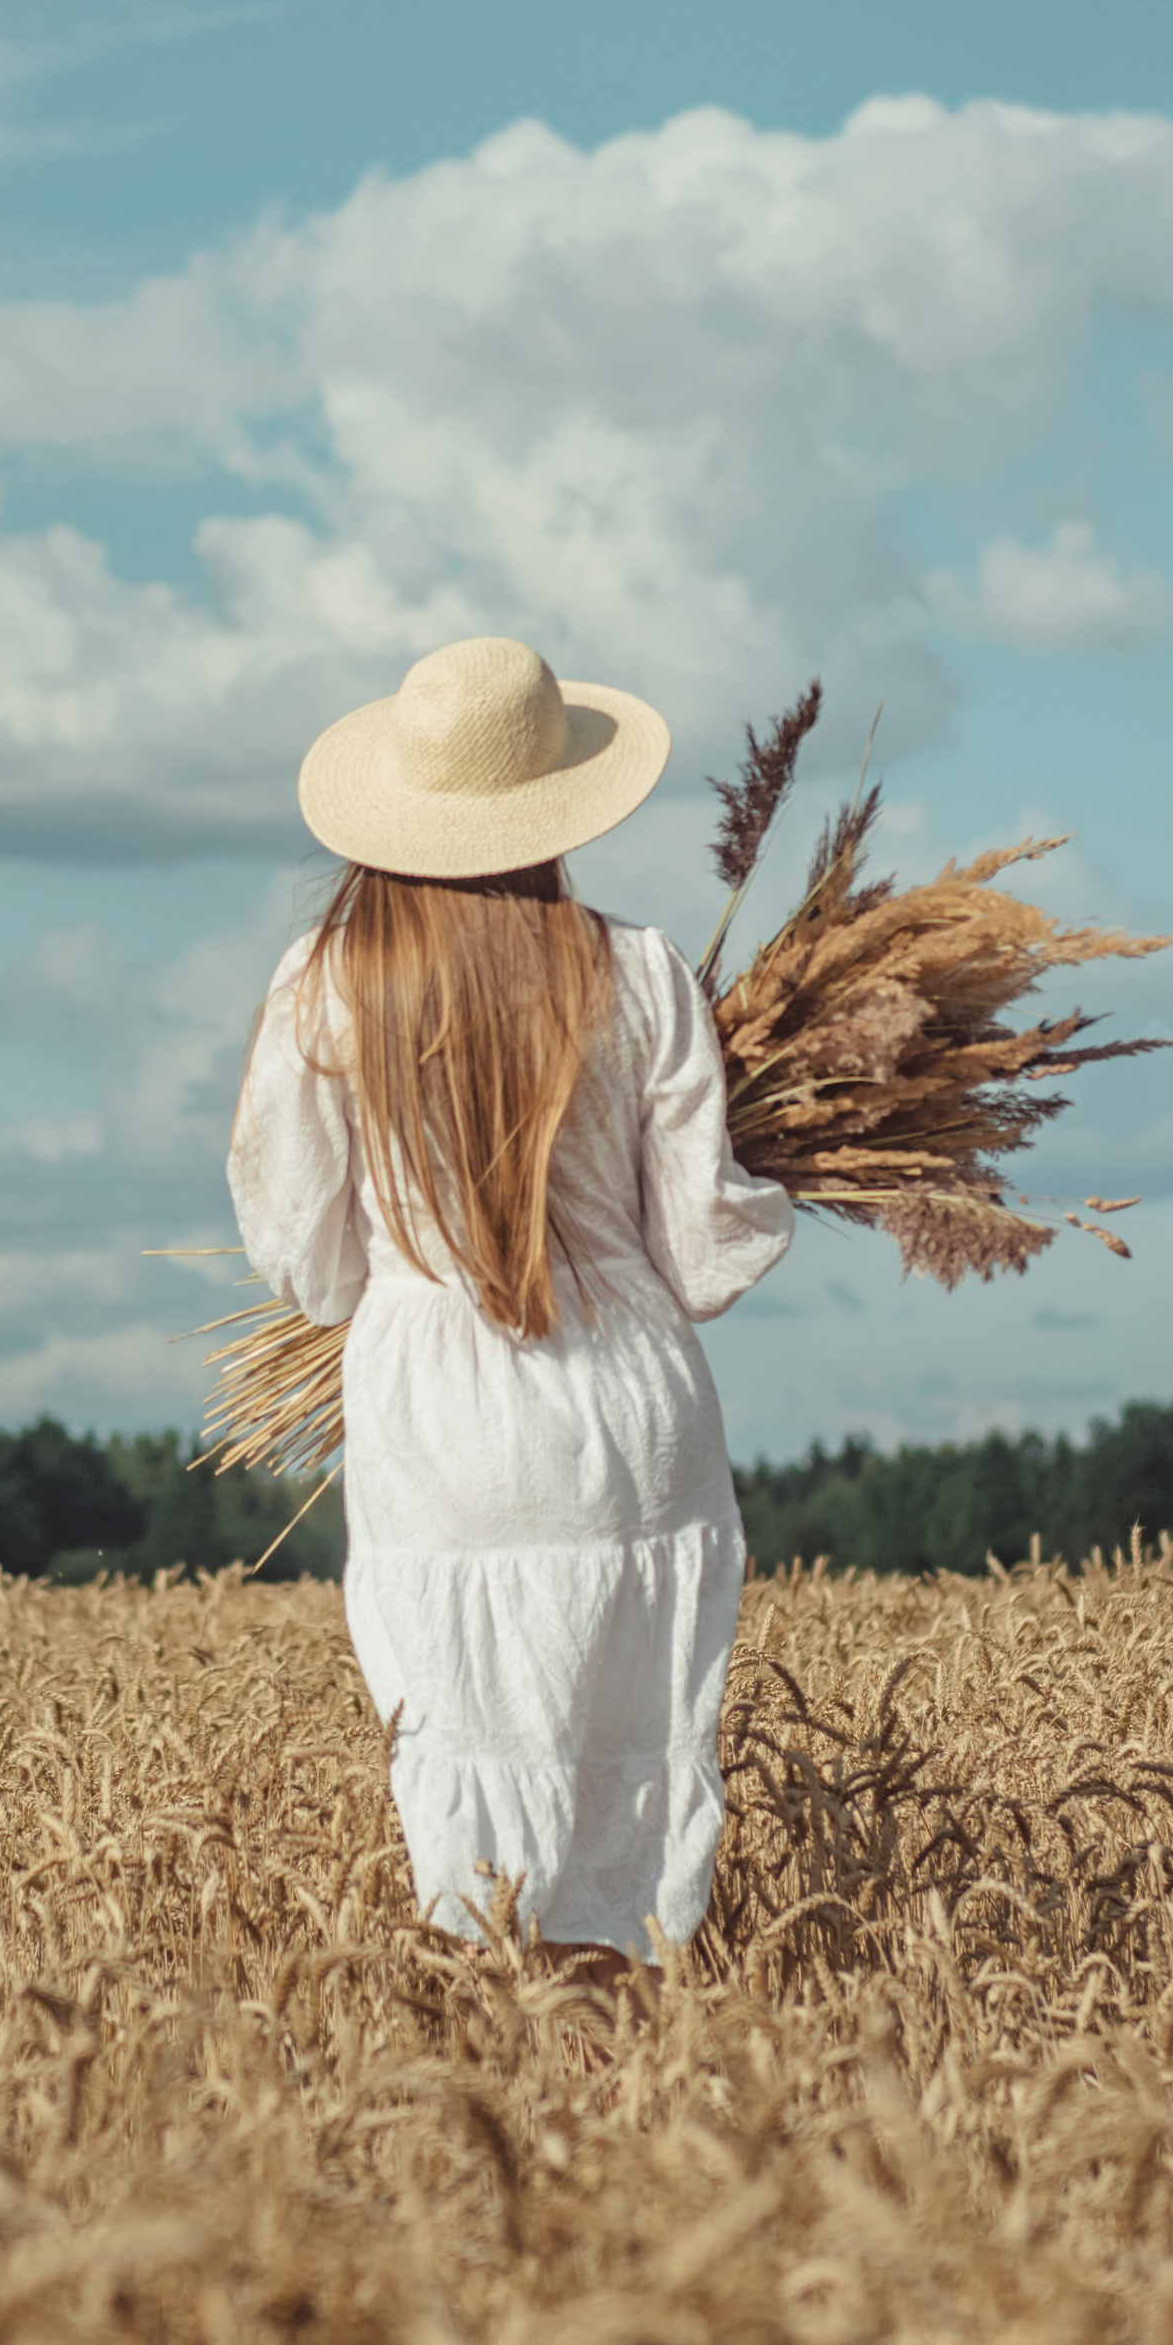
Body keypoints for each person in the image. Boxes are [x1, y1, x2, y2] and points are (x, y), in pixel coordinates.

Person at [228, 634, 795, 1976]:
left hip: (436, 1424)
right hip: (626, 1411)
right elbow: (706, 1255)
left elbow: (307, 1262)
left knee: (472, 1798)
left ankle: (504, 2094)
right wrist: (787, 1166)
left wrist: (420, 1264)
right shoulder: (642, 970)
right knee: (632, 1795)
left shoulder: (325, 984)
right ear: (556, 801)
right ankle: (633, 2105)